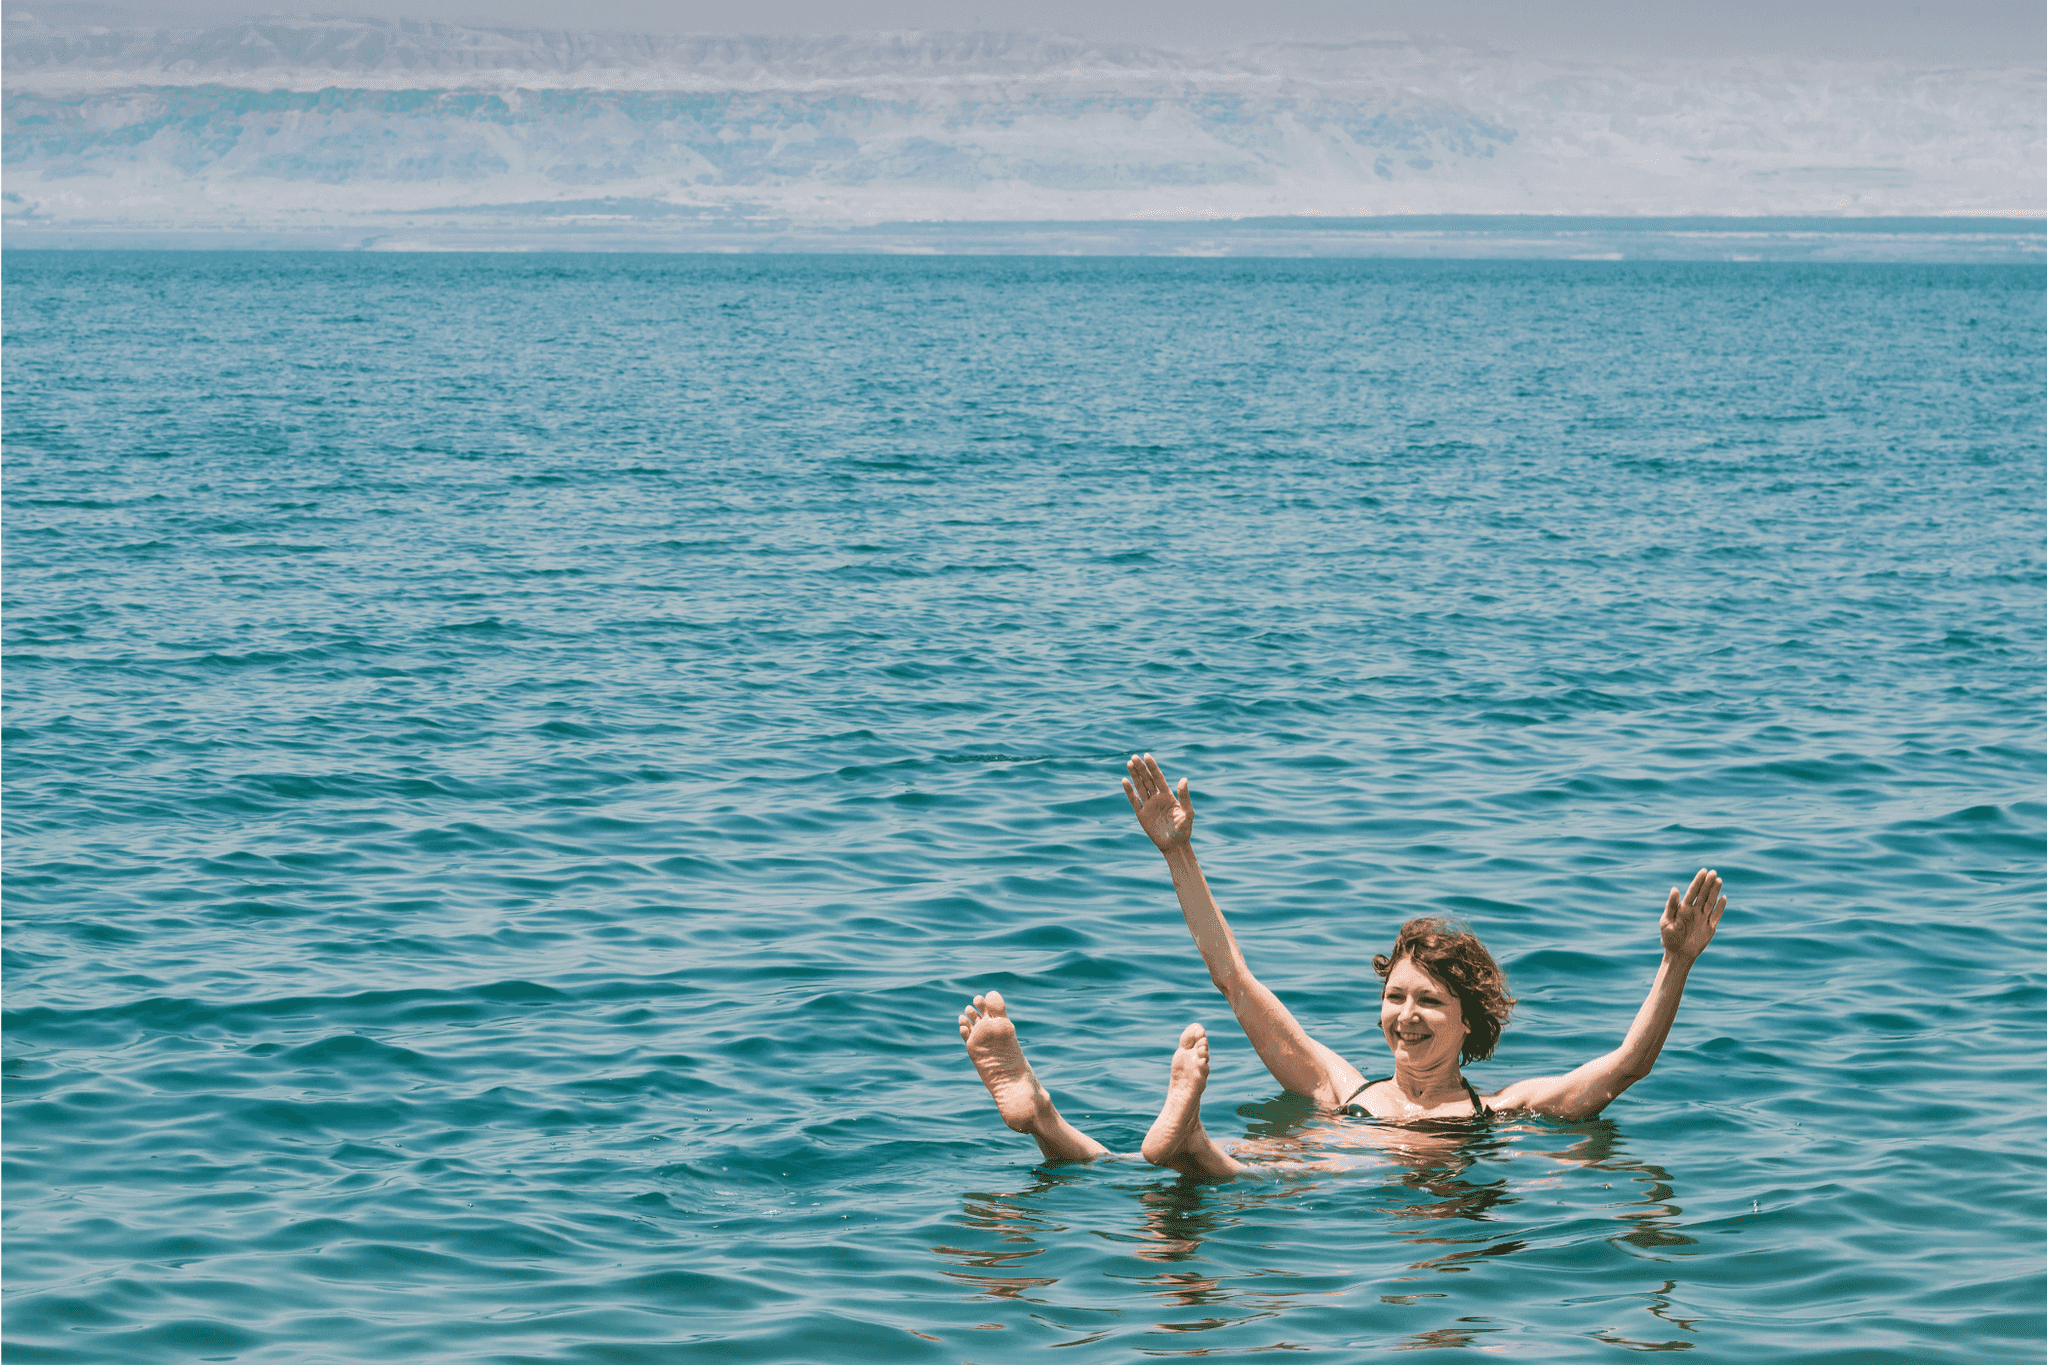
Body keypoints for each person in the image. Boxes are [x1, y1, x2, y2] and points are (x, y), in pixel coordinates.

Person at [958, 755, 1728, 1178]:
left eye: (1429, 1000)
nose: (1405, 1013)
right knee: (1168, 1172)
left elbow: (1625, 1066)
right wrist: (1180, 851)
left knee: (1196, 1179)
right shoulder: (1339, 1086)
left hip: (1353, 1191)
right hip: (1320, 1167)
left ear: (1470, 1021)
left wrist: (1676, 961)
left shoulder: (1511, 1108)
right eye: (1395, 995)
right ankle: (1043, 1114)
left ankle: (1180, 1140)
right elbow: (1234, 977)